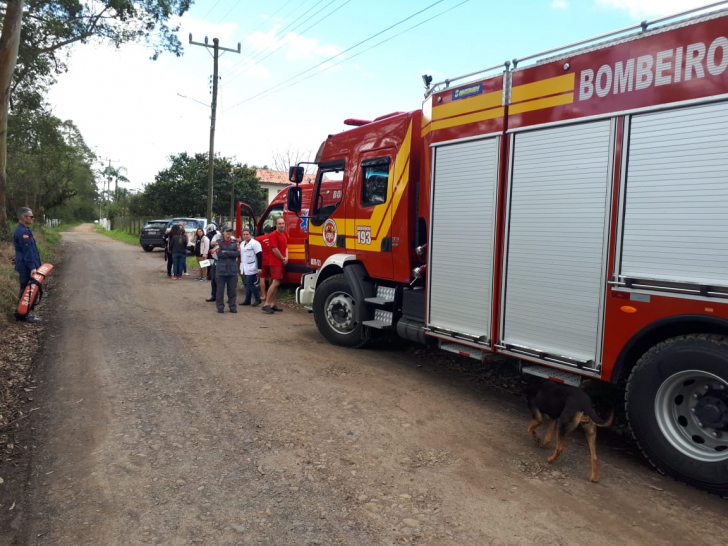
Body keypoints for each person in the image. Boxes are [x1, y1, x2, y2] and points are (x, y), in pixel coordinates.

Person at [13, 207, 42, 323]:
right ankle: (22, 315)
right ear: (23, 217)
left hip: (28, 265)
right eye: (31, 216)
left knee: (30, 289)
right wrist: (32, 267)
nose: (33, 218)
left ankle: (25, 313)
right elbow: (27, 252)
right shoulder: (22, 232)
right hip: (27, 267)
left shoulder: (26, 230)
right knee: (27, 290)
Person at [262, 217, 288, 315]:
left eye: (283, 223)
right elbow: (274, 249)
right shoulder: (273, 235)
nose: (281, 225)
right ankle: (266, 304)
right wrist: (282, 258)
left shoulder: (283, 235)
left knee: (276, 283)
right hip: (275, 262)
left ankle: (272, 304)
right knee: (275, 282)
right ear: (276, 225)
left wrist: (286, 258)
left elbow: (286, 247)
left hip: (281, 262)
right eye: (279, 223)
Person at [213, 223, 240, 313]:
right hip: (221, 270)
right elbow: (219, 254)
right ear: (223, 232)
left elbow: (238, 253)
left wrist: (226, 252)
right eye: (227, 231)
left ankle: (232, 307)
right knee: (220, 291)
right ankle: (220, 307)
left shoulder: (236, 242)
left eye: (230, 231)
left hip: (232, 270)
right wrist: (230, 253)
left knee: (232, 291)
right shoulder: (218, 242)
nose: (229, 233)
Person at [239, 228, 263, 306]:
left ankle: (257, 298)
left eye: (247, 234)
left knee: (250, 283)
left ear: (250, 235)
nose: (245, 236)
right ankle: (247, 300)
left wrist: (259, 268)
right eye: (244, 234)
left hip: (252, 266)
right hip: (244, 266)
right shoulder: (242, 243)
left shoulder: (255, 243)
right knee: (246, 283)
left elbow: (259, 256)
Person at [257, 225, 274, 305]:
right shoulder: (273, 237)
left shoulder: (258, 239)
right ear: (271, 231)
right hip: (272, 260)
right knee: (271, 277)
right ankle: (269, 295)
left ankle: (263, 295)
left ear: (264, 231)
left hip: (263, 260)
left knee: (262, 277)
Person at [205, 226, 221, 302]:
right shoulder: (216, 236)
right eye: (224, 230)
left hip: (226, 261)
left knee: (227, 281)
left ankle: (229, 297)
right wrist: (221, 242)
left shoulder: (231, 238)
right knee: (213, 278)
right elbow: (212, 243)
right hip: (216, 260)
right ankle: (213, 295)